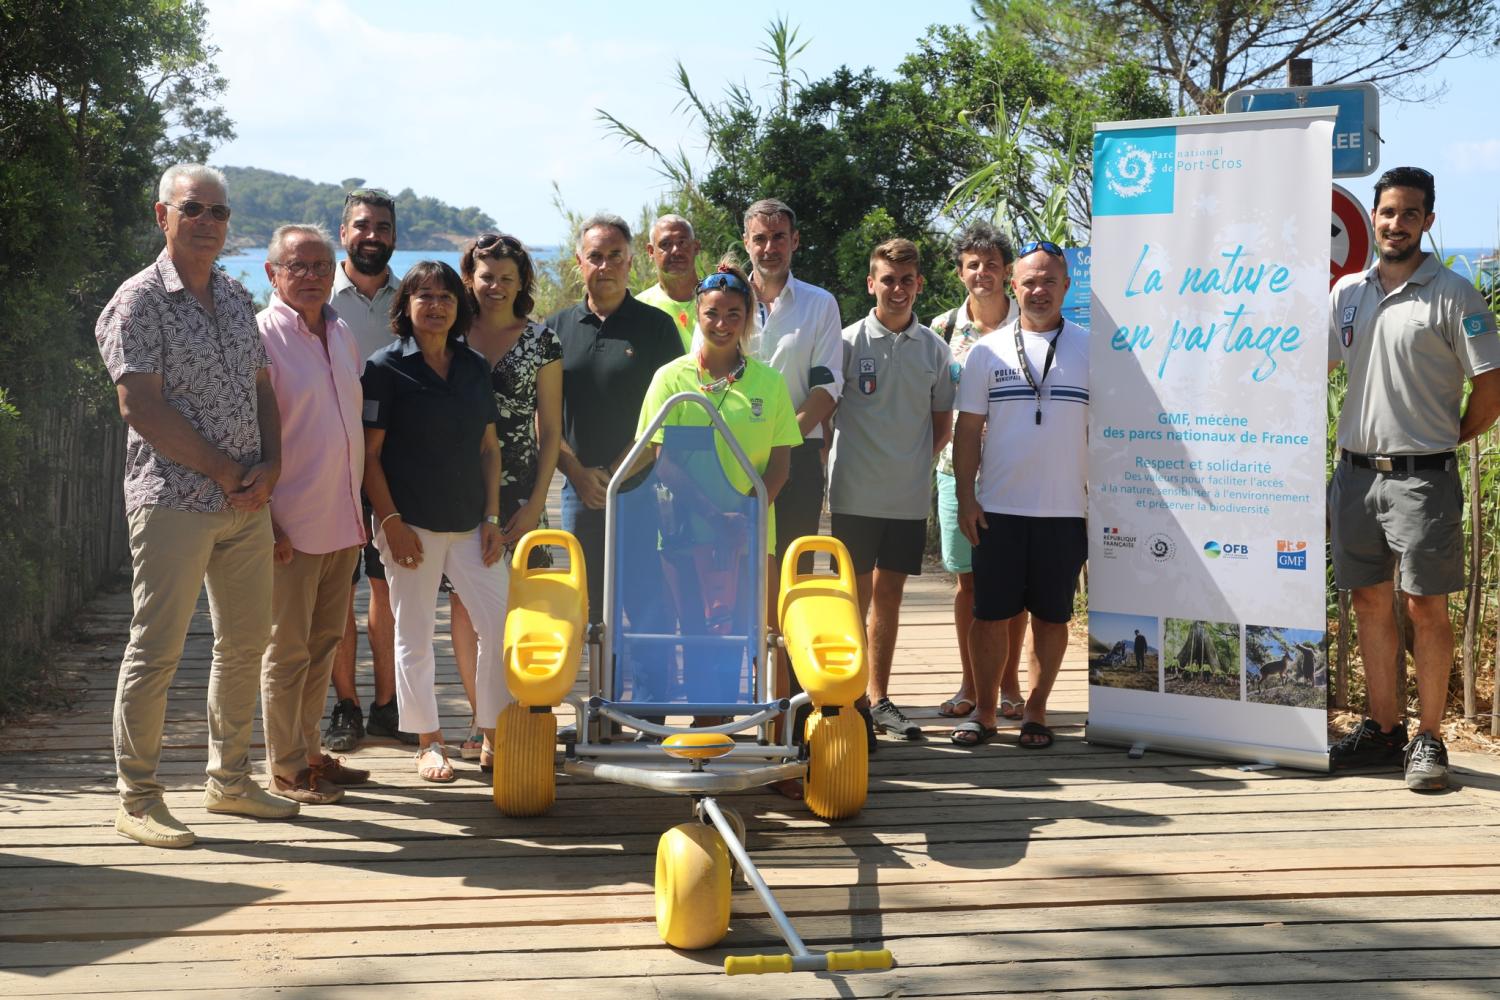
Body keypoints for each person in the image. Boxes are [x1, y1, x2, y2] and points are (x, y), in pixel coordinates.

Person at [96, 163, 298, 848]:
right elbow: (141, 406)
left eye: (219, 212)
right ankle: (138, 796)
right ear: (164, 215)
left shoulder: (239, 298)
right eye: (194, 209)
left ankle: (229, 782)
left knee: (245, 643)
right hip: (175, 500)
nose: (209, 222)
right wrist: (227, 470)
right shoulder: (138, 301)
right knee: (156, 648)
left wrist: (269, 466)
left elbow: (263, 391)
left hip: (247, 502)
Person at [1327, 166, 1500, 791]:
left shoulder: (1455, 293)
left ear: (1427, 221)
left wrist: (1450, 439)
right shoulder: (1348, 292)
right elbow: (1306, 363)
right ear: (1373, 219)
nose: (1395, 223)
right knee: (1370, 601)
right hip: (1353, 477)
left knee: (1424, 606)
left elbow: (1491, 385)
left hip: (1421, 479)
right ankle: (1383, 731)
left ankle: (1429, 738)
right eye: (1387, 212)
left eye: (1409, 213)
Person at [634, 261, 801, 731]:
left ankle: (777, 736)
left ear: (747, 318)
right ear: (698, 315)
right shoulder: (670, 378)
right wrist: (713, 514)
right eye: (712, 314)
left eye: (733, 313)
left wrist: (745, 519)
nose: (722, 324)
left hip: (750, 534)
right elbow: (659, 458)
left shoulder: (768, 382)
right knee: (699, 635)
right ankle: (709, 732)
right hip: (685, 535)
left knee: (766, 637)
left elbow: (783, 465)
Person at [361, 261, 510, 783]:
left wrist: (492, 516)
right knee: (415, 632)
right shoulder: (383, 368)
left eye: (446, 295)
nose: (437, 305)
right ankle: (428, 741)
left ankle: (492, 731)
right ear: (405, 306)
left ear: (459, 306)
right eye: (424, 295)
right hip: (411, 525)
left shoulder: (473, 366)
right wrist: (391, 523)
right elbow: (370, 456)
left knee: (500, 624)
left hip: (471, 522)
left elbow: (489, 448)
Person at [952, 240, 1088, 749]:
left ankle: (1035, 710)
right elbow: (968, 432)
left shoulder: (1092, 348)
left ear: (1066, 287)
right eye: (1029, 281)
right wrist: (967, 497)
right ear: (1014, 285)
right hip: (999, 510)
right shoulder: (986, 351)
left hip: (1065, 511)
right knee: (989, 616)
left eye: (1049, 280)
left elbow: (1108, 433)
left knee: (1052, 618)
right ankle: (985, 712)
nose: (1039, 290)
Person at [256, 224, 370, 805]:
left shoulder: (341, 330)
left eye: (322, 266)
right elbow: (250, 437)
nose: (311, 276)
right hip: (289, 526)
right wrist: (267, 521)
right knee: (286, 649)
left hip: (342, 523)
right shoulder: (261, 337)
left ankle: (309, 753)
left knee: (323, 644)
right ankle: (284, 767)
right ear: (271, 272)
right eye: (297, 266)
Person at [828, 238, 955, 743]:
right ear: (871, 284)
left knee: (889, 600)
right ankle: (852, 701)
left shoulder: (935, 348)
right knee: (851, 601)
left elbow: (941, 424)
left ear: (918, 284)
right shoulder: (844, 343)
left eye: (906, 281)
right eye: (888, 280)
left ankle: (879, 699)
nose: (897, 289)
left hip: (905, 498)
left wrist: (909, 466)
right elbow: (827, 412)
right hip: (854, 495)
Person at [450, 233, 562, 766]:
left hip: (521, 484)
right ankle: (480, 722)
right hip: (456, 482)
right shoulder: (449, 332)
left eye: (507, 278)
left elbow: (552, 428)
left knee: (518, 606)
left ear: (522, 283)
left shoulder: (542, 342)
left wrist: (538, 502)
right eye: (485, 275)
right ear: (469, 276)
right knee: (466, 606)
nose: (495, 287)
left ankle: (514, 714)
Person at [742, 199, 844, 745]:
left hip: (798, 460)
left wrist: (781, 441)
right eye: (760, 239)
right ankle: (743, 704)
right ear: (746, 242)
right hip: (732, 463)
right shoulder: (726, 299)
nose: (769, 247)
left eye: (779, 237)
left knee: (791, 579)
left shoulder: (820, 304)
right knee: (740, 579)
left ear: (795, 240)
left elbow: (828, 388)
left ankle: (796, 710)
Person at [549, 214, 682, 625]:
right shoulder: (554, 329)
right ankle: (594, 691)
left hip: (643, 486)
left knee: (645, 608)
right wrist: (577, 471)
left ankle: (645, 691)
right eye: (595, 256)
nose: (604, 266)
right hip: (578, 489)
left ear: (629, 262)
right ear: (579, 262)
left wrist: (616, 473)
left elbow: (669, 415)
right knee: (584, 609)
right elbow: (545, 416)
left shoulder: (656, 327)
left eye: (614, 256)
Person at [927, 222, 1027, 722]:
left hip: (1016, 473)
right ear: (960, 271)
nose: (982, 272)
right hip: (954, 473)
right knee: (968, 583)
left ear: (1008, 272)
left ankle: (1009, 687)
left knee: (1014, 587)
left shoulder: (1030, 323)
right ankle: (970, 683)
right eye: (973, 264)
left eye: (991, 263)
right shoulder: (943, 328)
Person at [327, 188, 413, 752]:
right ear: (344, 233)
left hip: (395, 464)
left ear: (394, 236)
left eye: (382, 227)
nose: (373, 236)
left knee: (389, 589)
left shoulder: (412, 301)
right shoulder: (314, 295)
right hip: (329, 464)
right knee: (337, 591)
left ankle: (389, 706)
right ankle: (347, 708)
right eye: (362, 226)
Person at [637, 214, 701, 350]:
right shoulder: (638, 308)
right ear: (650, 251)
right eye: (665, 244)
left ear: (696, 247)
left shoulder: (719, 298)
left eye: (682, 243)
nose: (676, 251)